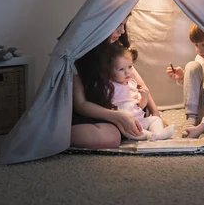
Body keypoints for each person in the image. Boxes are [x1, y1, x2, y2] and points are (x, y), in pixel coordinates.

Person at [70, 16, 163, 149]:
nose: (122, 31)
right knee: (111, 138)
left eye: (124, 25)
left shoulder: (116, 47)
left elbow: (138, 82)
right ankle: (58, 135)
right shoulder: (80, 53)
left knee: (143, 123)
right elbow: (81, 104)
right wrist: (117, 116)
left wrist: (155, 112)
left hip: (120, 110)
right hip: (94, 112)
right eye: (118, 25)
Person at [106, 43, 175, 141]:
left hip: (140, 120)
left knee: (155, 119)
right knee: (134, 131)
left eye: (130, 67)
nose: (127, 72)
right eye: (121, 69)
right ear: (110, 71)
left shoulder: (131, 83)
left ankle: (158, 134)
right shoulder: (110, 86)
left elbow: (139, 106)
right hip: (126, 124)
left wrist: (144, 97)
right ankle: (150, 136)